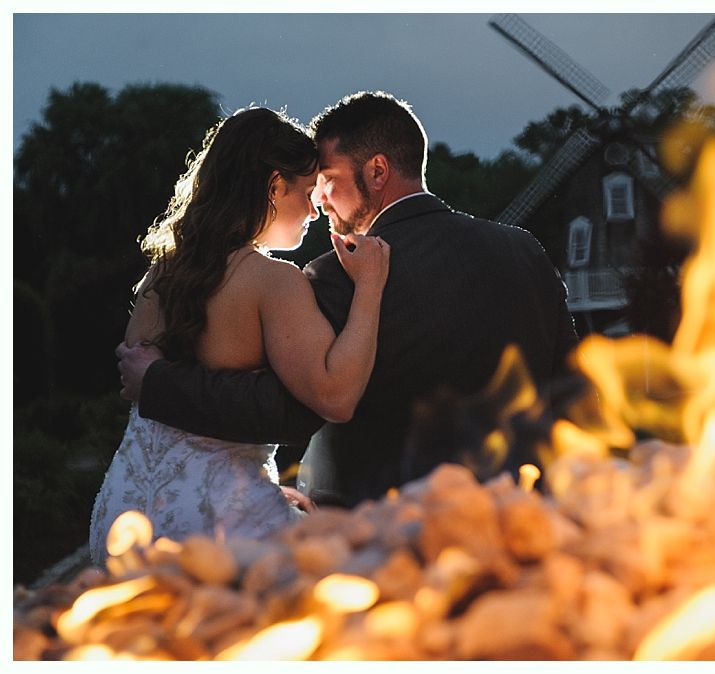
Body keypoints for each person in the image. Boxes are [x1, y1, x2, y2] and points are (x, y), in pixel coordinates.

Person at [117, 91, 578, 508]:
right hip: (520, 512)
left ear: (377, 171)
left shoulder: (337, 276)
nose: (319, 200)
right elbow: (575, 385)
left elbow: (284, 408)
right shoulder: (523, 251)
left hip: (375, 524)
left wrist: (158, 382)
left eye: (327, 179)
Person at [90, 107, 390, 563]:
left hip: (123, 515)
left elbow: (151, 396)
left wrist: (256, 484)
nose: (314, 209)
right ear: (273, 187)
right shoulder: (273, 281)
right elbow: (335, 395)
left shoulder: (161, 273)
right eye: (308, 192)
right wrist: (370, 286)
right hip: (218, 525)